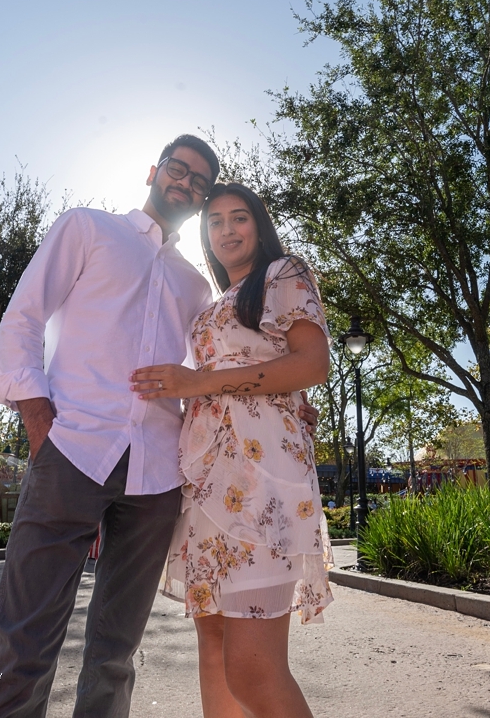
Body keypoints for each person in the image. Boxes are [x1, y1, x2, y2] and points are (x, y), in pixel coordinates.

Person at [0, 137, 317, 718]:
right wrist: (37, 419)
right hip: (74, 449)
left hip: (158, 473)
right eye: (178, 171)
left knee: (115, 652)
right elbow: (23, 315)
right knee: (23, 639)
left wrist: (290, 403)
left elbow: (218, 369)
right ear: (155, 171)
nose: (185, 183)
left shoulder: (196, 288)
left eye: (199, 181)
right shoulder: (88, 228)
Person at [131, 182, 333, 718]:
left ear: (258, 226)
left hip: (262, 480)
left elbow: (312, 363)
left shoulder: (282, 274)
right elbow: (269, 366)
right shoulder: (213, 303)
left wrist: (200, 383)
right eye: (215, 221)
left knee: (252, 667)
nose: (226, 229)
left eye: (239, 218)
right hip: (205, 483)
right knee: (214, 648)